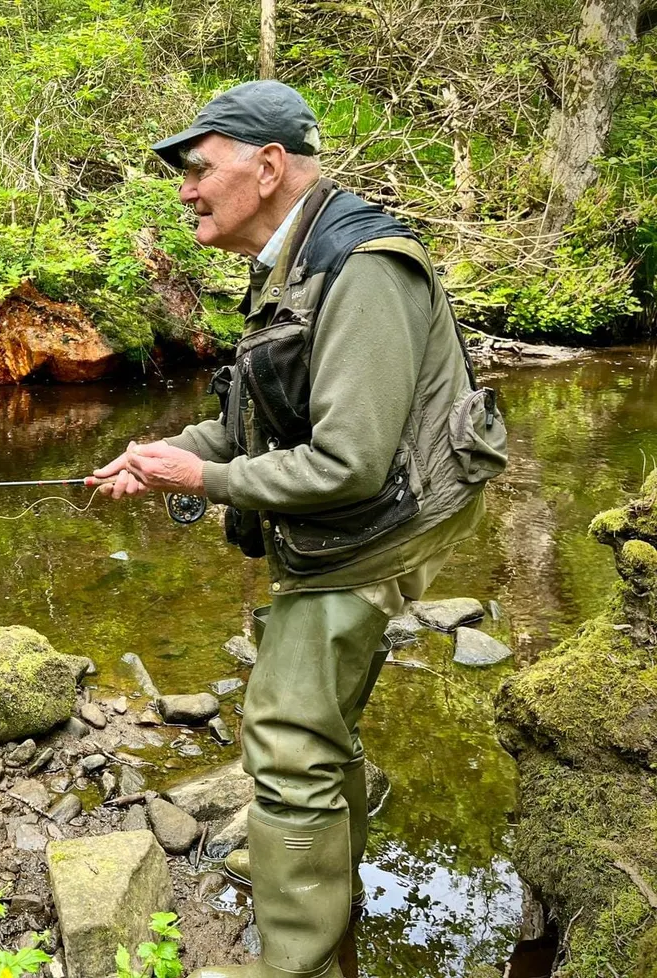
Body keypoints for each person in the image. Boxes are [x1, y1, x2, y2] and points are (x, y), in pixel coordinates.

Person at [89, 80, 507, 978]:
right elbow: (265, 424)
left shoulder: (361, 269)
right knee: (317, 727)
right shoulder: (292, 261)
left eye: (199, 170)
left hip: (377, 532)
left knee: (285, 737)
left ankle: (300, 961)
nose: (186, 190)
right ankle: (336, 902)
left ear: (269, 166)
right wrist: (168, 450)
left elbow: (349, 463)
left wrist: (201, 477)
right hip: (353, 522)